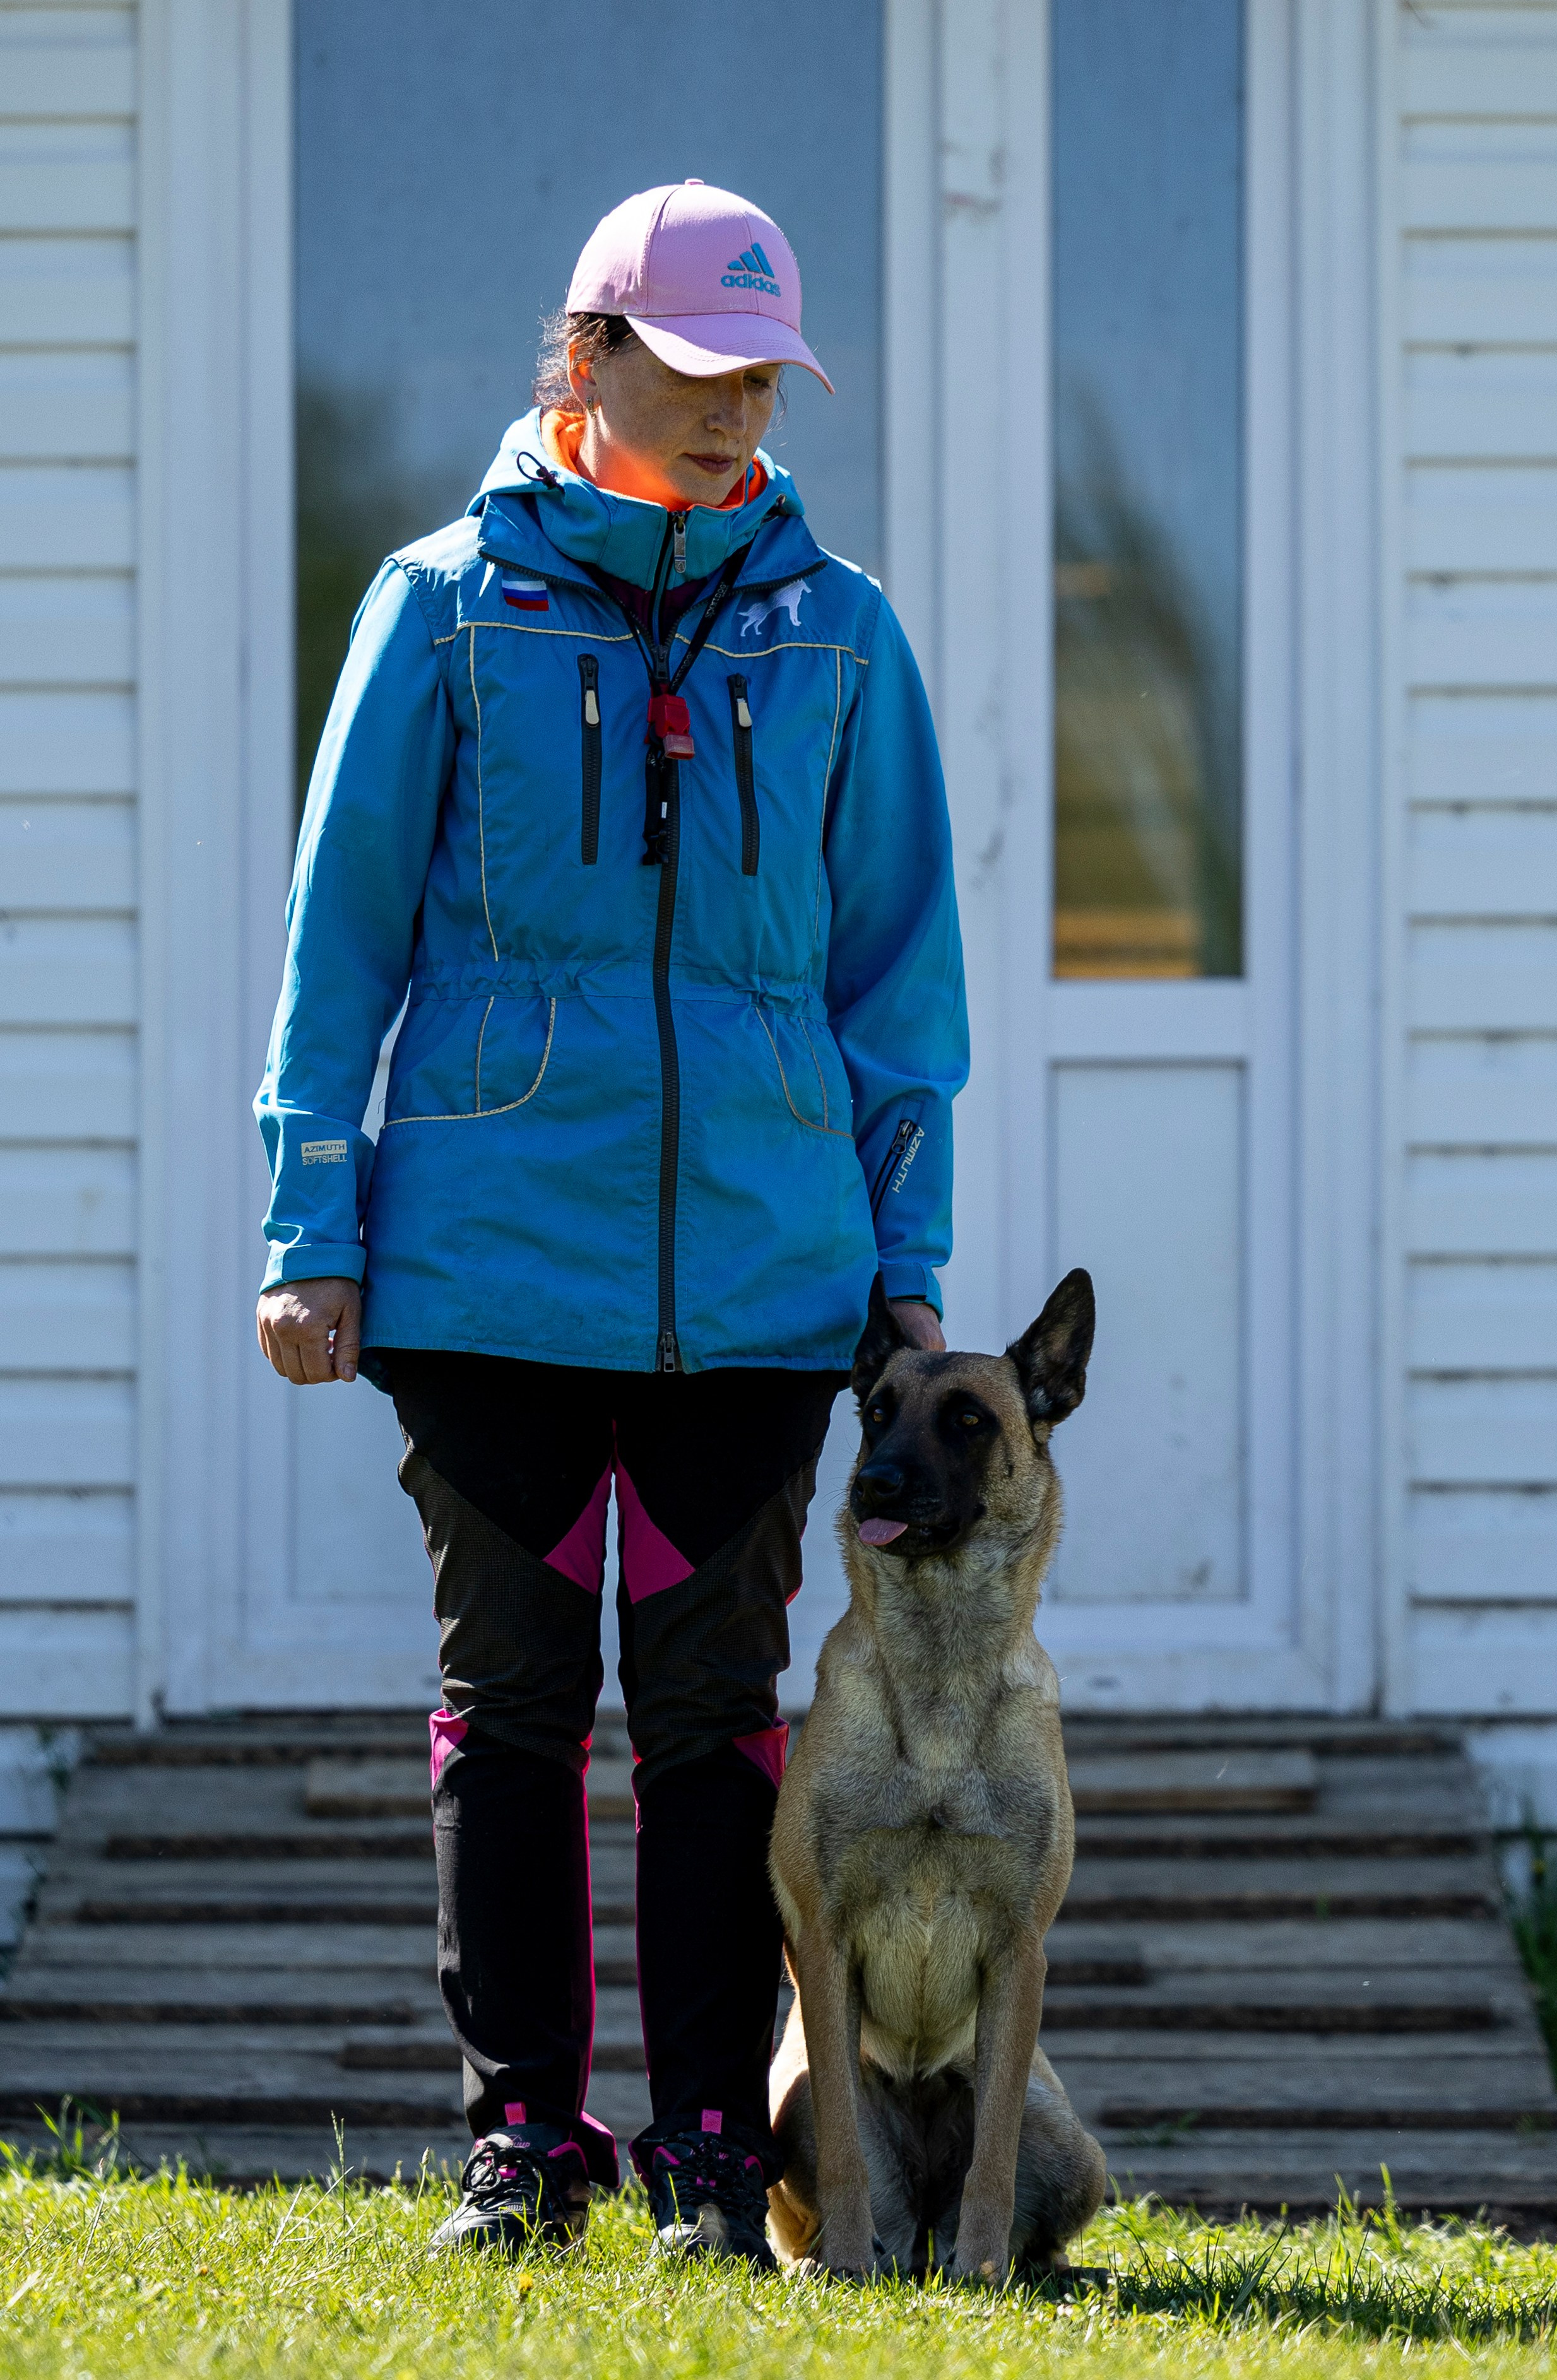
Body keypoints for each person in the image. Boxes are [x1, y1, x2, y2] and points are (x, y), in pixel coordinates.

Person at [254, 179, 967, 2263]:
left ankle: (699, 2159)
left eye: (765, 373)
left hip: (759, 1276)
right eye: (700, 366)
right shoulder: (442, 604)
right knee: (512, 1707)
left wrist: (900, 1257)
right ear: (589, 360)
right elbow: (339, 937)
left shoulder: (838, 630)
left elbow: (894, 978)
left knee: (715, 1718)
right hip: (484, 1269)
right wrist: (313, 1219)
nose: (740, 408)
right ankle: (524, 2149)